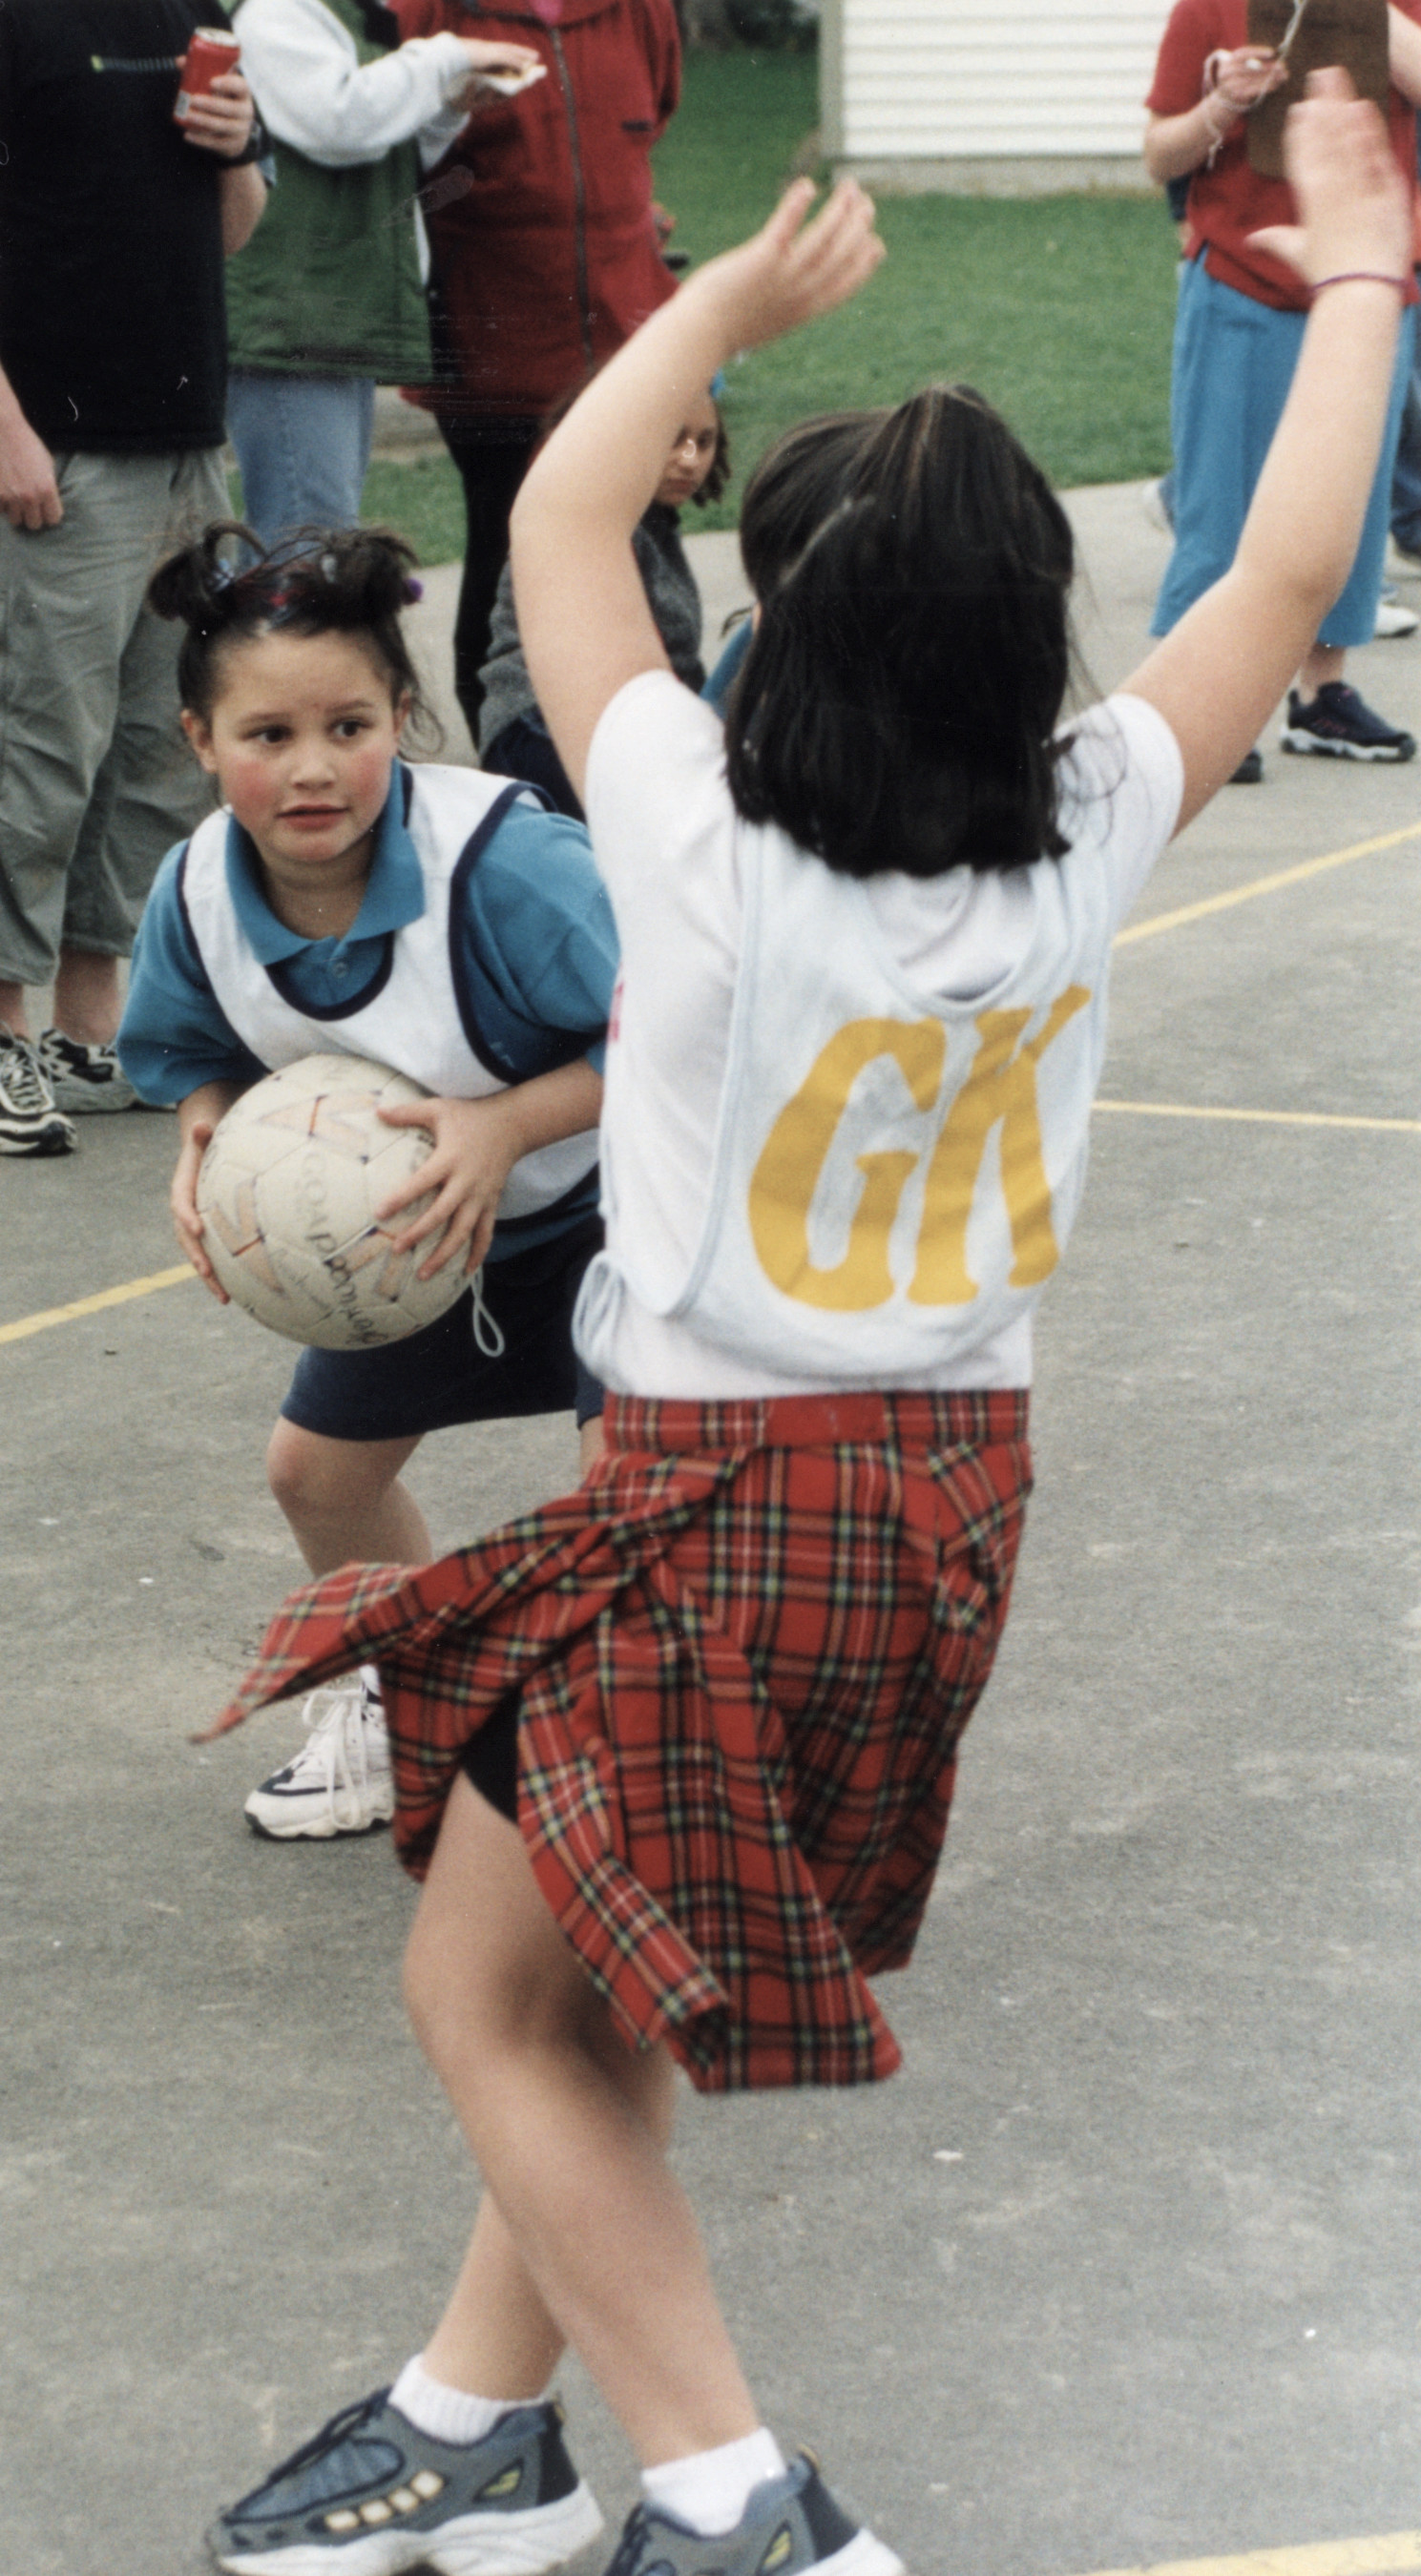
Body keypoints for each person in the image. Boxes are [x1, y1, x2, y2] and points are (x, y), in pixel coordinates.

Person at [201, 79, 1411, 2576]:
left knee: (477, 1993)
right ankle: (473, 2421)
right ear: (1024, 652)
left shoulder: (699, 835)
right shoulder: (1090, 821)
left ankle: (734, 2493)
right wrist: (1371, 268)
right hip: (944, 1505)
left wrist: (715, 304)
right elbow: (1292, 567)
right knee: (576, 1969)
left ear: (782, 636)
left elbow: (556, 521)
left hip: (714, 1498)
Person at [116, 524, 617, 1839]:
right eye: (266, 735)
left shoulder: (506, 867)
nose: (311, 767)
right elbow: (190, 1055)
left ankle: (651, 1743)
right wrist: (210, 1144)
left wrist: (507, 1126)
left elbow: (690, 1032)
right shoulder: (195, 892)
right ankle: (414, 1699)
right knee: (316, 1475)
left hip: (622, 1216)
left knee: (629, 1489)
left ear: (403, 715)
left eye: (348, 726)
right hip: (415, 1241)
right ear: (198, 740)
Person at [0, 0, 266, 1155]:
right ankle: (3, 1032)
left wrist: (237, 148)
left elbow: (231, 231)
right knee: (41, 751)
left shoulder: (193, 14)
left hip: (188, 444)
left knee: (159, 752)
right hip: (57, 448)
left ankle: (87, 1029)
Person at [1145, 0, 1421, 780]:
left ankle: (1320, 697)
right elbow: (1159, 154)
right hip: (1241, 278)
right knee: (1219, 500)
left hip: (1364, 279)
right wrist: (1222, 102)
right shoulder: (1208, 8)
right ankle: (1199, 706)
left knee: (1350, 498)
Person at [389, 0, 681, 736]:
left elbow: (653, 115)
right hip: (491, 334)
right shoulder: (434, 10)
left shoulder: (639, 9)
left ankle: (633, 749)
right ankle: (509, 752)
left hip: (622, 340)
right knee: (505, 554)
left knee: (643, 549)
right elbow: (402, 151)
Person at [225, 0, 542, 544]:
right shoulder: (274, 13)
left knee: (321, 540)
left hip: (331, 315)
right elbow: (341, 122)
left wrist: (446, 108)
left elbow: (385, 148)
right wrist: (446, 55)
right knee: (304, 545)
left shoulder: (348, 15)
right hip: (290, 323)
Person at [479, 383, 727, 815]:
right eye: (672, 438)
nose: (691, 460)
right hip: (542, 725)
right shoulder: (591, 519)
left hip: (606, 724)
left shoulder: (651, 522)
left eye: (704, 442)